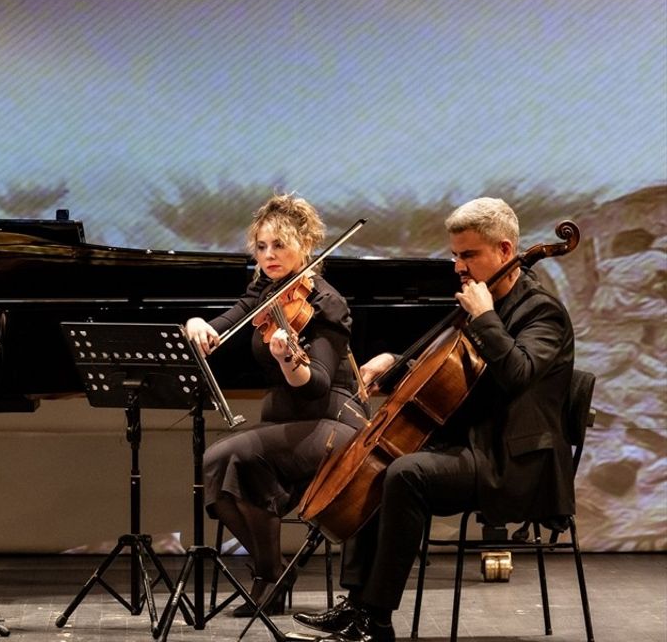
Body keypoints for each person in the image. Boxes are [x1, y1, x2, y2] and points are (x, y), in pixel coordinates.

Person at [292, 198, 576, 642]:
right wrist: (396, 365)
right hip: (469, 445)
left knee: (405, 473)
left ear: (505, 251)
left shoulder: (541, 312)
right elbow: (447, 371)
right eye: (454, 255)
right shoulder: (475, 302)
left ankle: (377, 620)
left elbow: (518, 373)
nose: (458, 266)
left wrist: (484, 317)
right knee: (382, 463)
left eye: (469, 255)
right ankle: (357, 605)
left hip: (513, 462)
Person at [185, 194, 368, 617]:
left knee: (242, 455)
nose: (269, 255)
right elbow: (230, 319)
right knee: (216, 461)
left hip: (333, 420)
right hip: (287, 422)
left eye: (279, 246)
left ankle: (270, 579)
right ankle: (272, 569)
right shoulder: (266, 291)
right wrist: (202, 327)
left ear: (305, 244)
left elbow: (316, 387)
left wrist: (290, 361)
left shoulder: (326, 302)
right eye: (262, 247)